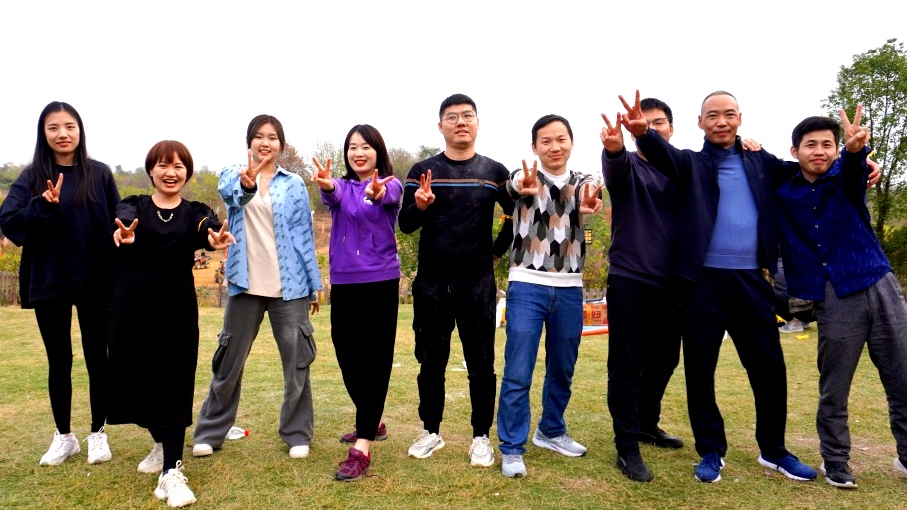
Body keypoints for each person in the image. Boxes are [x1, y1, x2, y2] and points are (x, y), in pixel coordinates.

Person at [621, 90, 817, 483]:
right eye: (712, 115)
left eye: (729, 114)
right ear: (700, 122)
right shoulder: (691, 163)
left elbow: (808, 169)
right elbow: (662, 153)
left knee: (769, 368)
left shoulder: (760, 161)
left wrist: (857, 163)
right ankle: (710, 449)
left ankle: (774, 450)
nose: (721, 122)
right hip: (701, 282)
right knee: (700, 370)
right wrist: (643, 132)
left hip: (752, 280)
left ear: (740, 118)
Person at [774, 110, 907, 488]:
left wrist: (854, 151)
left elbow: (853, 170)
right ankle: (835, 459)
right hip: (832, 294)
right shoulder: (782, 189)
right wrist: (746, 143)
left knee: (902, 378)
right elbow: (756, 168)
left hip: (878, 282)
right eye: (810, 145)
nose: (819, 151)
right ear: (795, 151)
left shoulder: (849, 175)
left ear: (836, 150)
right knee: (835, 386)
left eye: (827, 145)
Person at [108, 140, 233, 507]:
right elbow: (121, 222)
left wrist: (214, 237)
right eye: (163, 165)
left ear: (187, 173)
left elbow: (207, 227)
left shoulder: (193, 212)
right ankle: (162, 444)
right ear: (151, 170)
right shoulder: (134, 206)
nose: (171, 172)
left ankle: (171, 472)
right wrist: (124, 234)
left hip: (176, 306)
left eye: (179, 166)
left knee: (174, 380)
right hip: (133, 304)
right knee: (139, 379)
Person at [193, 114, 322, 460]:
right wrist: (248, 184)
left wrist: (313, 284)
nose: (266, 143)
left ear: (281, 144)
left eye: (273, 137)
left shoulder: (294, 184)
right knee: (228, 362)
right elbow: (232, 197)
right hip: (244, 284)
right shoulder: (232, 174)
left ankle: (297, 433)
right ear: (249, 142)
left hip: (289, 288)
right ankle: (210, 432)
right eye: (259, 136)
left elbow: (304, 236)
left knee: (297, 364)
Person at [0, 101, 119, 466]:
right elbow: (10, 222)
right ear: (44, 133)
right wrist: (42, 205)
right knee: (59, 359)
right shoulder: (33, 176)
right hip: (50, 277)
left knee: (98, 357)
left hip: (96, 278)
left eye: (69, 126)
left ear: (79, 130)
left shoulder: (99, 174)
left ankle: (98, 433)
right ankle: (64, 436)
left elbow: (118, 219)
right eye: (53, 127)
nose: (62, 134)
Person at [398, 93, 514, 466]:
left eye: (467, 116)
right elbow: (405, 224)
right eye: (452, 117)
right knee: (431, 362)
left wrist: (495, 252)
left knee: (481, 364)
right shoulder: (423, 170)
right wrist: (420, 205)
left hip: (478, 283)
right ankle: (430, 431)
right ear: (440, 126)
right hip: (432, 282)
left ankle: (481, 437)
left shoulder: (495, 172)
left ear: (477, 123)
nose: (460, 122)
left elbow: (515, 216)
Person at [497, 114, 602, 478]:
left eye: (561, 139)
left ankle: (551, 430)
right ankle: (512, 447)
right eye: (546, 141)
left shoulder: (582, 181)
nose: (554, 147)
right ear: (534, 147)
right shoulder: (525, 179)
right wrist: (520, 183)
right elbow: (513, 184)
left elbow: (591, 189)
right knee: (518, 369)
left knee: (563, 367)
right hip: (526, 285)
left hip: (570, 289)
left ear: (571, 143)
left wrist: (591, 198)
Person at [600, 98, 686, 482]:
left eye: (658, 122)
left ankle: (647, 424)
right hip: (630, 278)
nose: (649, 127)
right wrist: (614, 148)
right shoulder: (628, 165)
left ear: (671, 128)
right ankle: (627, 447)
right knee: (626, 366)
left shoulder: (684, 167)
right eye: (643, 122)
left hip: (675, 282)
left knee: (666, 359)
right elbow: (614, 163)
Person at [313, 124, 402, 481]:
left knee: (375, 360)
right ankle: (373, 419)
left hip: (380, 281)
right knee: (346, 354)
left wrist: (377, 191)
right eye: (352, 147)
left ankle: (362, 446)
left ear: (378, 151)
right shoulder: (342, 187)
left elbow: (387, 195)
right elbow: (332, 193)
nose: (359, 152)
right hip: (344, 281)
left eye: (366, 146)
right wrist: (326, 184)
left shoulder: (391, 184)